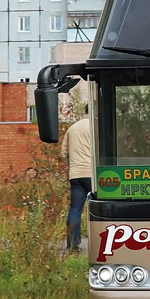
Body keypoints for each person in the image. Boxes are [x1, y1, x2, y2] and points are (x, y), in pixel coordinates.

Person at [61, 103, 92, 253]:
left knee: (75, 209)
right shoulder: (95, 127)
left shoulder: (72, 129)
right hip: (93, 174)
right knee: (100, 208)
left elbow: (63, 154)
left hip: (75, 175)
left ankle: (73, 245)